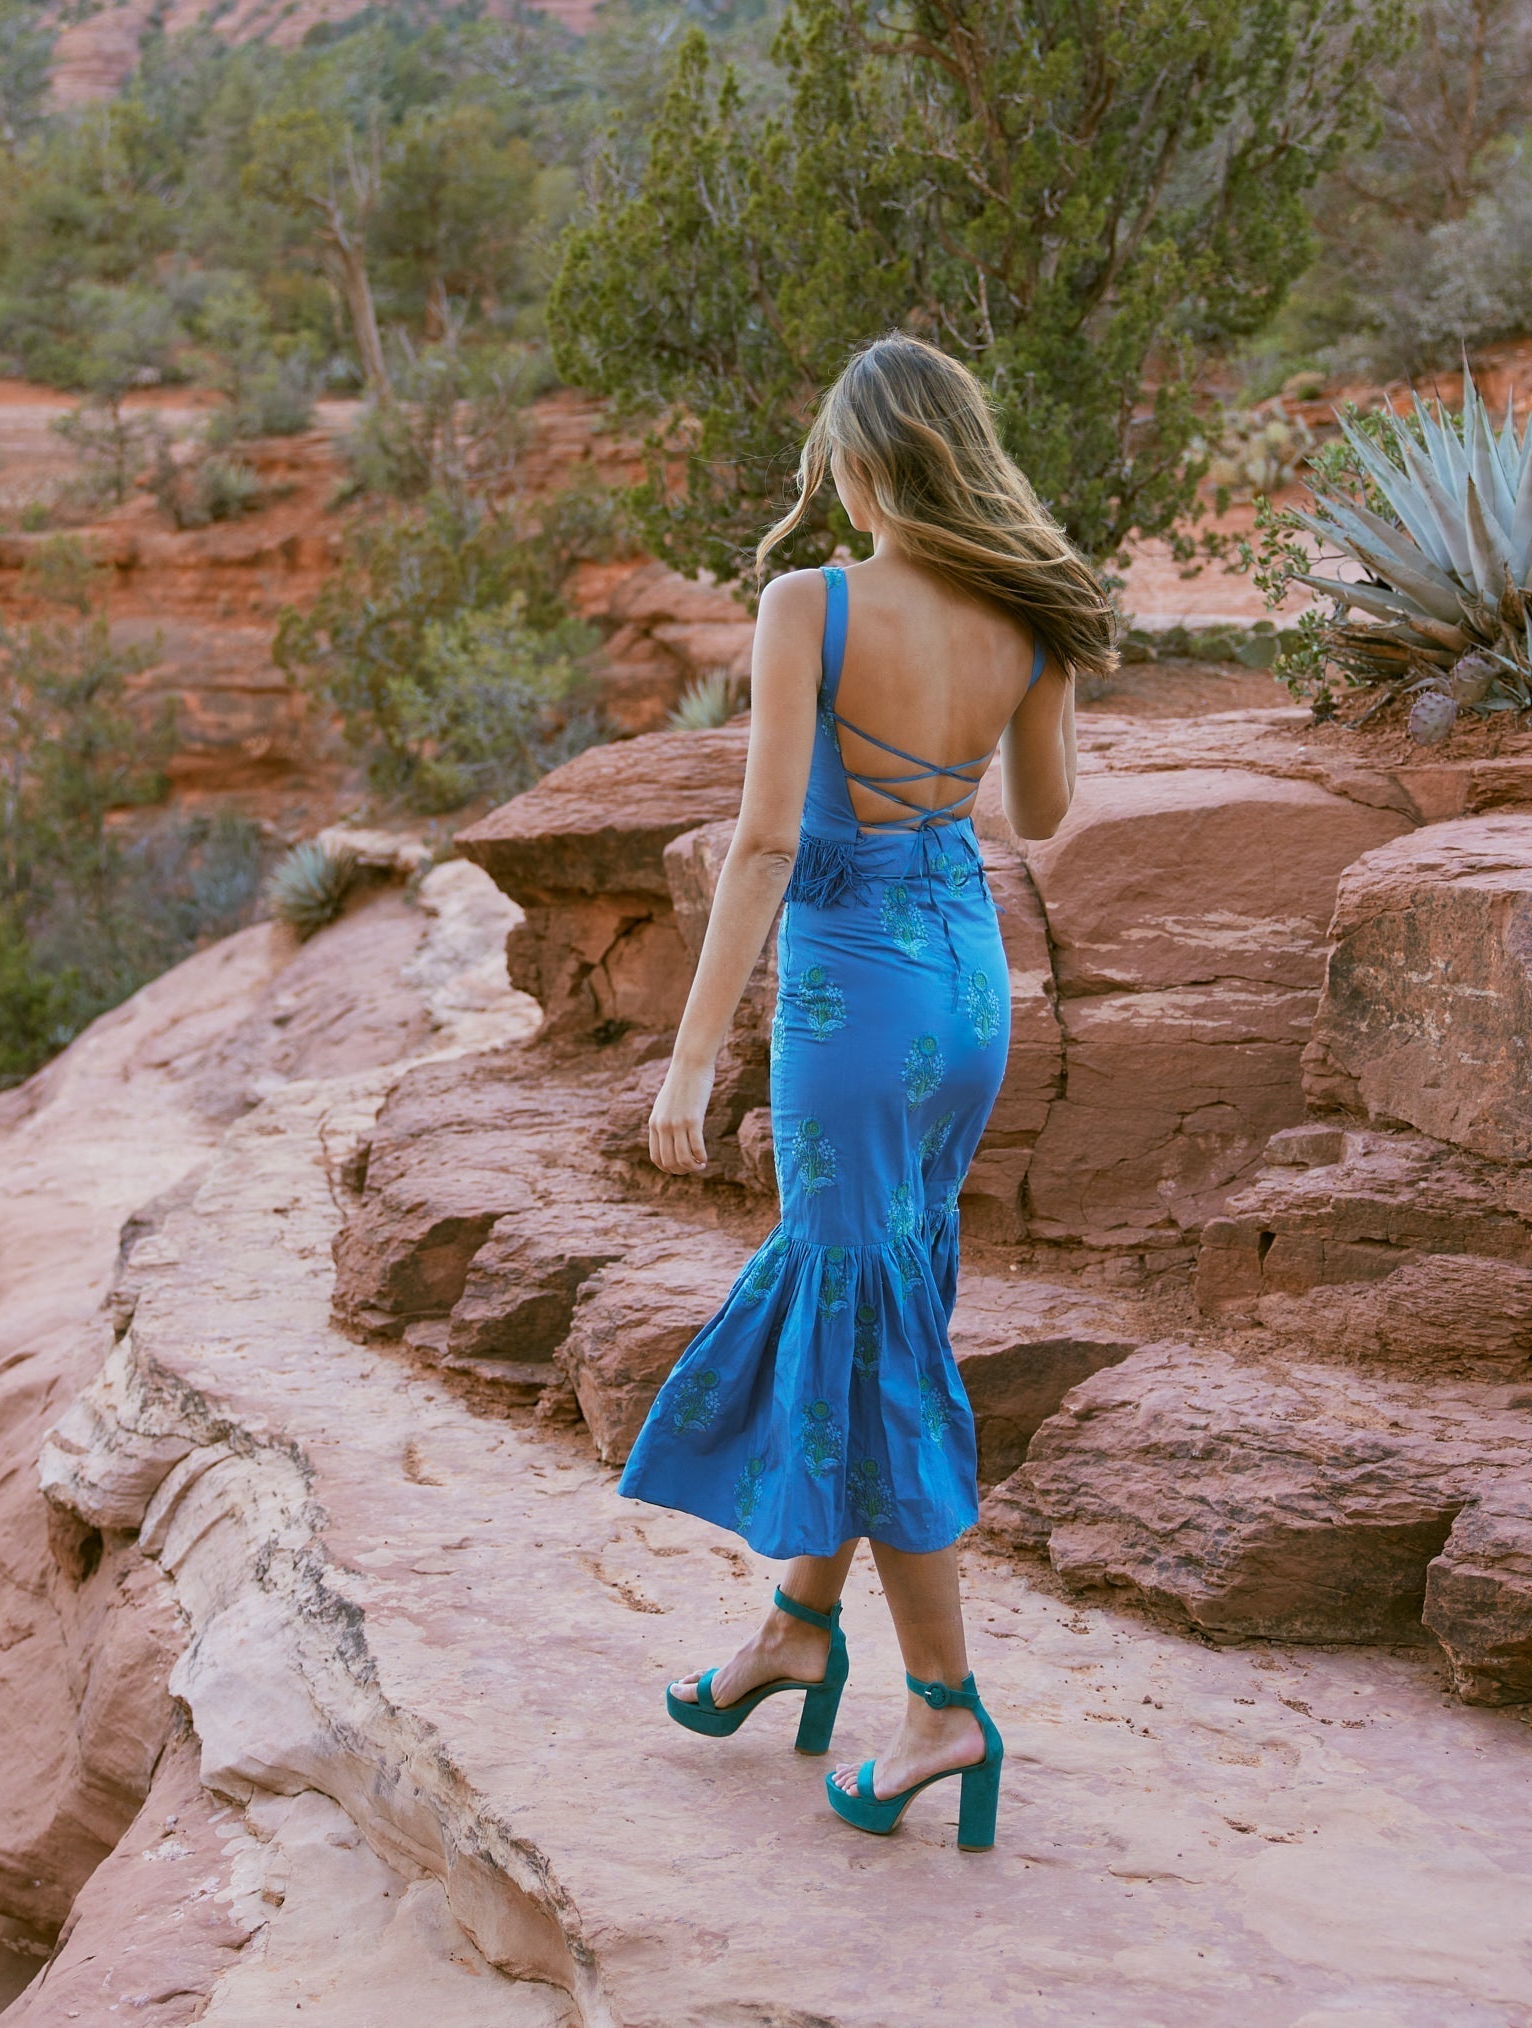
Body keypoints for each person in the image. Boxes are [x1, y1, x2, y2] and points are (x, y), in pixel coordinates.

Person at [618, 332, 1117, 1851]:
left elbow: (766, 841)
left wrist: (695, 1050)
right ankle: (794, 1629)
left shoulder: (809, 603)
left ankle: (947, 1705)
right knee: (878, 1300)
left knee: (872, 1315)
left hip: (850, 998)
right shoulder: (1025, 618)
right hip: (970, 990)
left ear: (857, 462)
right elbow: (1040, 812)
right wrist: (1035, 668)